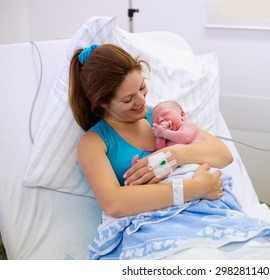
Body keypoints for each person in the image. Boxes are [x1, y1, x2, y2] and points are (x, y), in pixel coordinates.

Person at [68, 43, 233, 218]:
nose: (141, 100)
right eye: (128, 99)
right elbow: (113, 203)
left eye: (141, 87)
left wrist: (174, 155)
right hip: (154, 223)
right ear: (103, 102)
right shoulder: (93, 143)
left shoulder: (160, 115)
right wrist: (193, 189)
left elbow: (223, 155)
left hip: (204, 209)